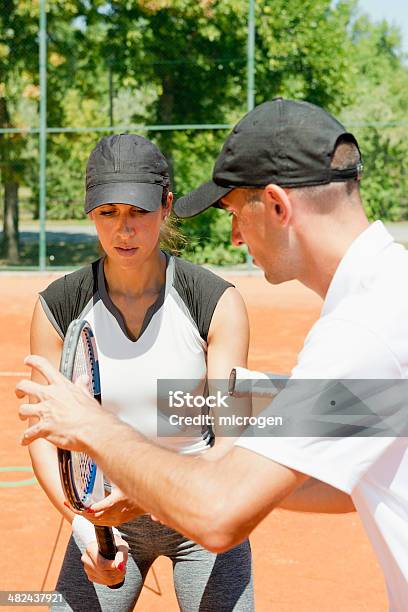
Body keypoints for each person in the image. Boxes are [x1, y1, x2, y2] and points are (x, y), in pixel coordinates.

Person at [17, 99, 408, 610]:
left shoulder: (360, 330)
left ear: (277, 205)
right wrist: (153, 485)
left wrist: (95, 428)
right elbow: (337, 476)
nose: (234, 236)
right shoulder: (387, 296)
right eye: (107, 213)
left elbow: (221, 513)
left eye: (233, 213)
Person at [25, 134, 255, 611]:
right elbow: (48, 436)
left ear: (166, 206)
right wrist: (84, 525)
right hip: (106, 518)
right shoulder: (58, 307)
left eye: (138, 212)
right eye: (108, 212)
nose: (123, 230)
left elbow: (232, 441)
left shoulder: (216, 302)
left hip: (200, 508)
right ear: (91, 213)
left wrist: (155, 492)